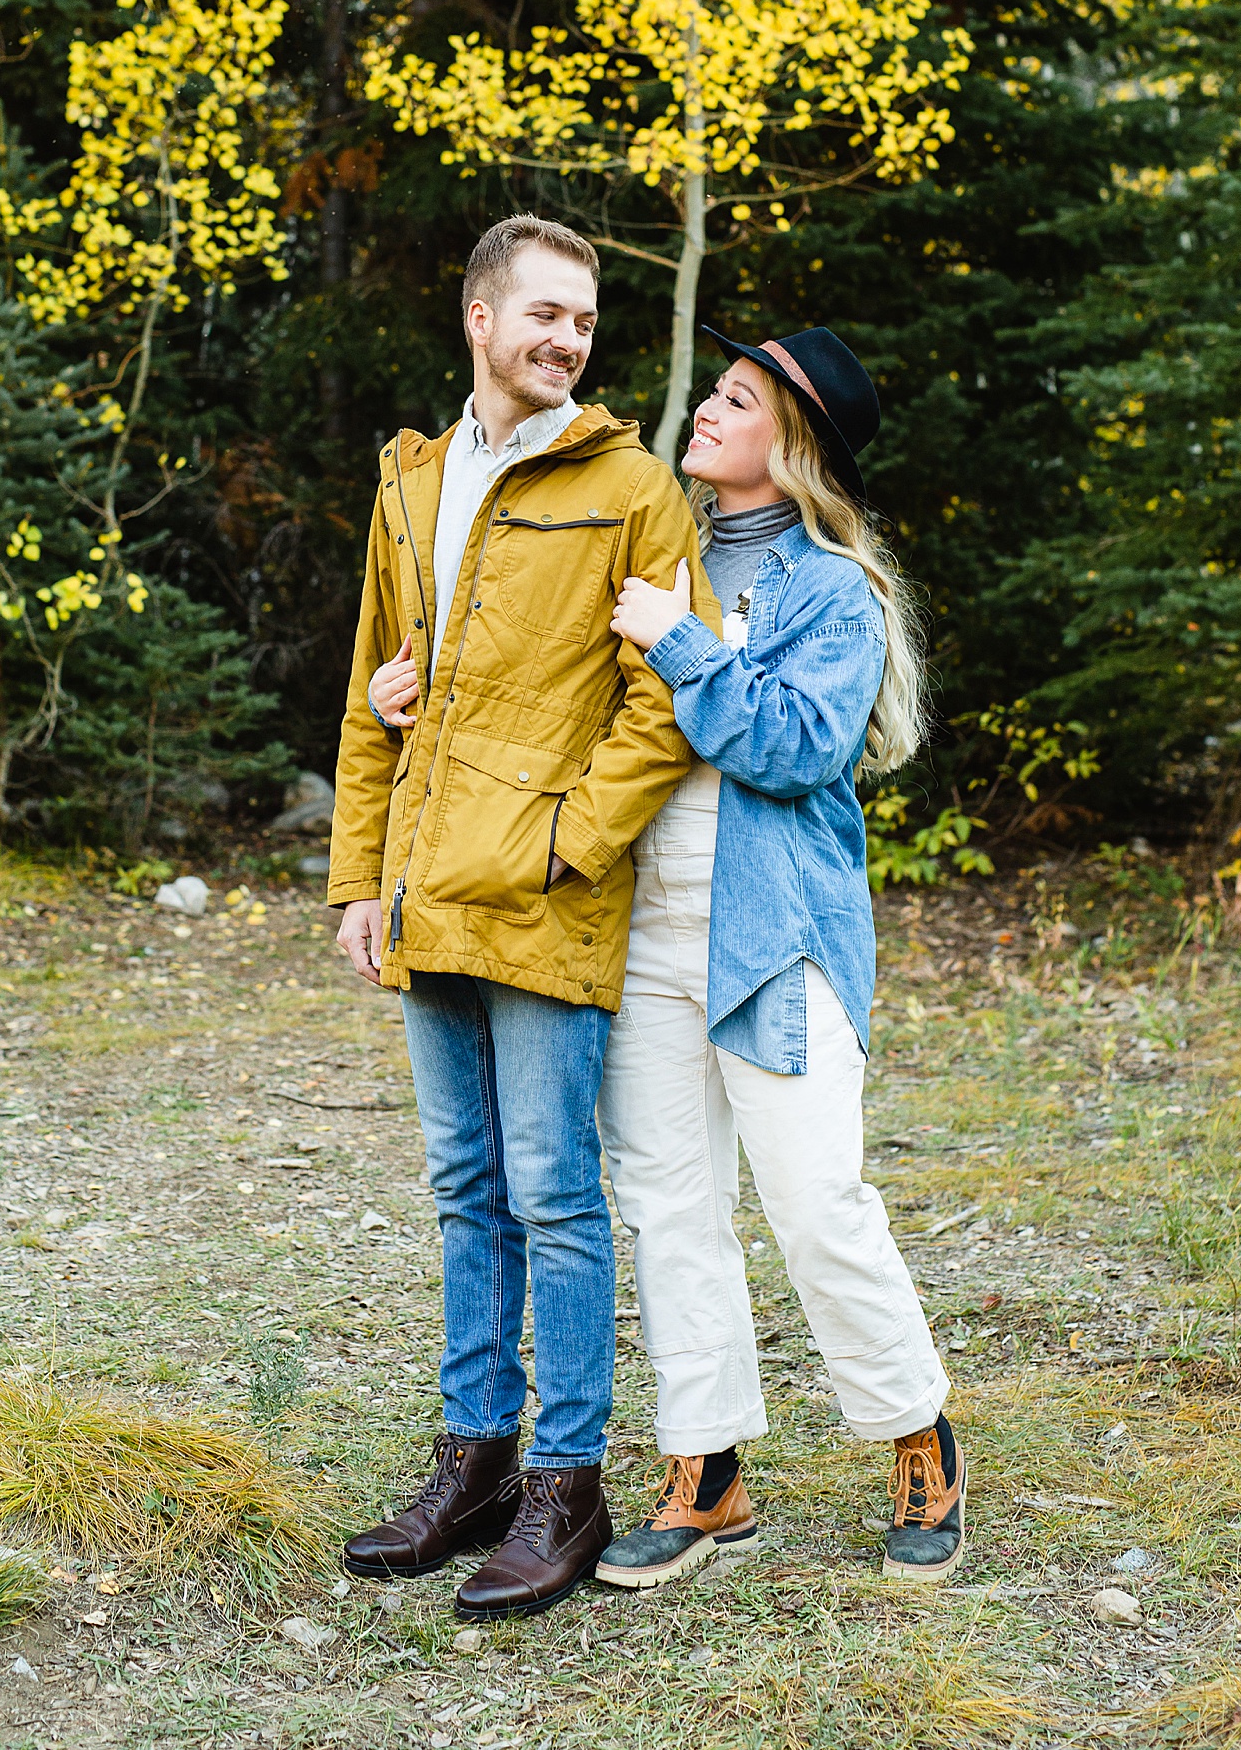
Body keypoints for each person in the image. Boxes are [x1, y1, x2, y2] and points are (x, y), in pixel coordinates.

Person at [328, 213, 718, 1621]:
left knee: (555, 1195)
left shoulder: (632, 490)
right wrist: (358, 877)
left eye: (586, 323)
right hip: (428, 889)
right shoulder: (413, 480)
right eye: (543, 315)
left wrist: (569, 841)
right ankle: (475, 1461)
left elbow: (665, 698)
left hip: (543, 900)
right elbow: (382, 687)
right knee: (462, 1192)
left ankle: (568, 1481)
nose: (567, 340)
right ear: (479, 319)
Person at [593, 323, 965, 1590]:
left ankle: (919, 1437)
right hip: (642, 933)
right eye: (712, 388)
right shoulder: (664, 553)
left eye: (736, 398)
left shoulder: (831, 590)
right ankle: (707, 1475)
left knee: (817, 1207)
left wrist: (681, 642)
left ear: (790, 441)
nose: (705, 408)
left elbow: (801, 745)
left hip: (775, 940)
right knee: (668, 1208)